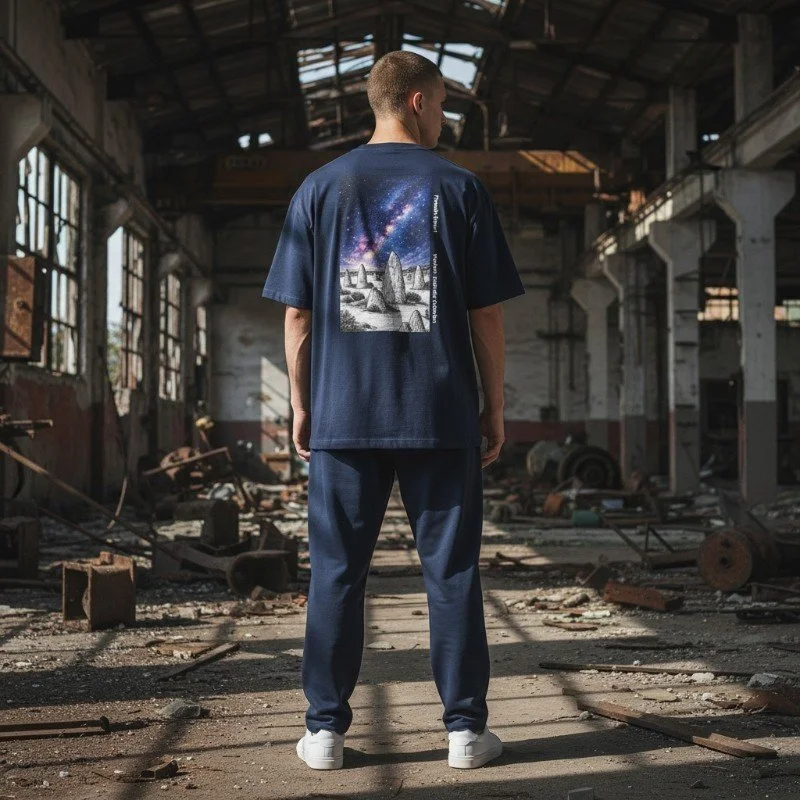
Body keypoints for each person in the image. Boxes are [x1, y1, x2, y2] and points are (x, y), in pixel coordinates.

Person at [261, 50, 524, 771]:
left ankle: (323, 734)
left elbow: (296, 320)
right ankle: (466, 732)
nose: (444, 118)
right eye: (442, 105)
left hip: (345, 415)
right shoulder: (460, 189)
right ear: (415, 101)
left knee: (336, 574)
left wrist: (303, 406)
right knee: (453, 573)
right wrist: (493, 406)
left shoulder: (319, 188)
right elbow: (487, 317)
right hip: (440, 415)